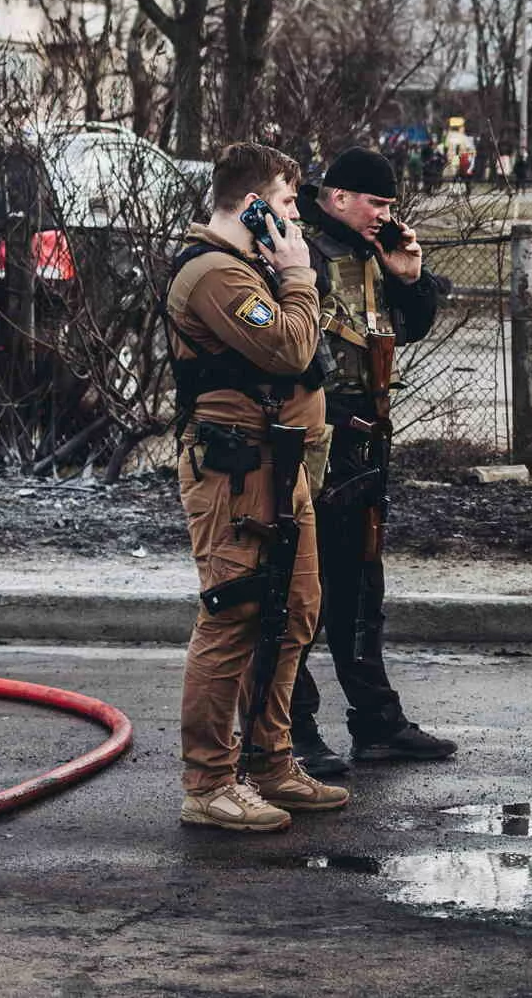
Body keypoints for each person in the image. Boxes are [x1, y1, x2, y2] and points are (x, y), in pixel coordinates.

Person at [168, 141, 349, 831]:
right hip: (234, 471)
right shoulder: (215, 274)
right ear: (250, 205)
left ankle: (271, 760)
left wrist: (292, 274)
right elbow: (289, 348)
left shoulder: (252, 267)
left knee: (296, 607)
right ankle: (209, 780)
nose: (294, 215)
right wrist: (298, 275)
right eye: (283, 201)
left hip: (281, 467)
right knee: (235, 614)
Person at [287, 146, 457, 775]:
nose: (384, 213)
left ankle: (377, 722)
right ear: (336, 197)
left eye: (389, 203)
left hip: (364, 442)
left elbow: (408, 327)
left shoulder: (369, 255)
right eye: (374, 202)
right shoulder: (300, 252)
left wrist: (409, 277)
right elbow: (289, 348)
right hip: (314, 441)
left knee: (360, 587)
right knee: (299, 587)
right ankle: (292, 724)